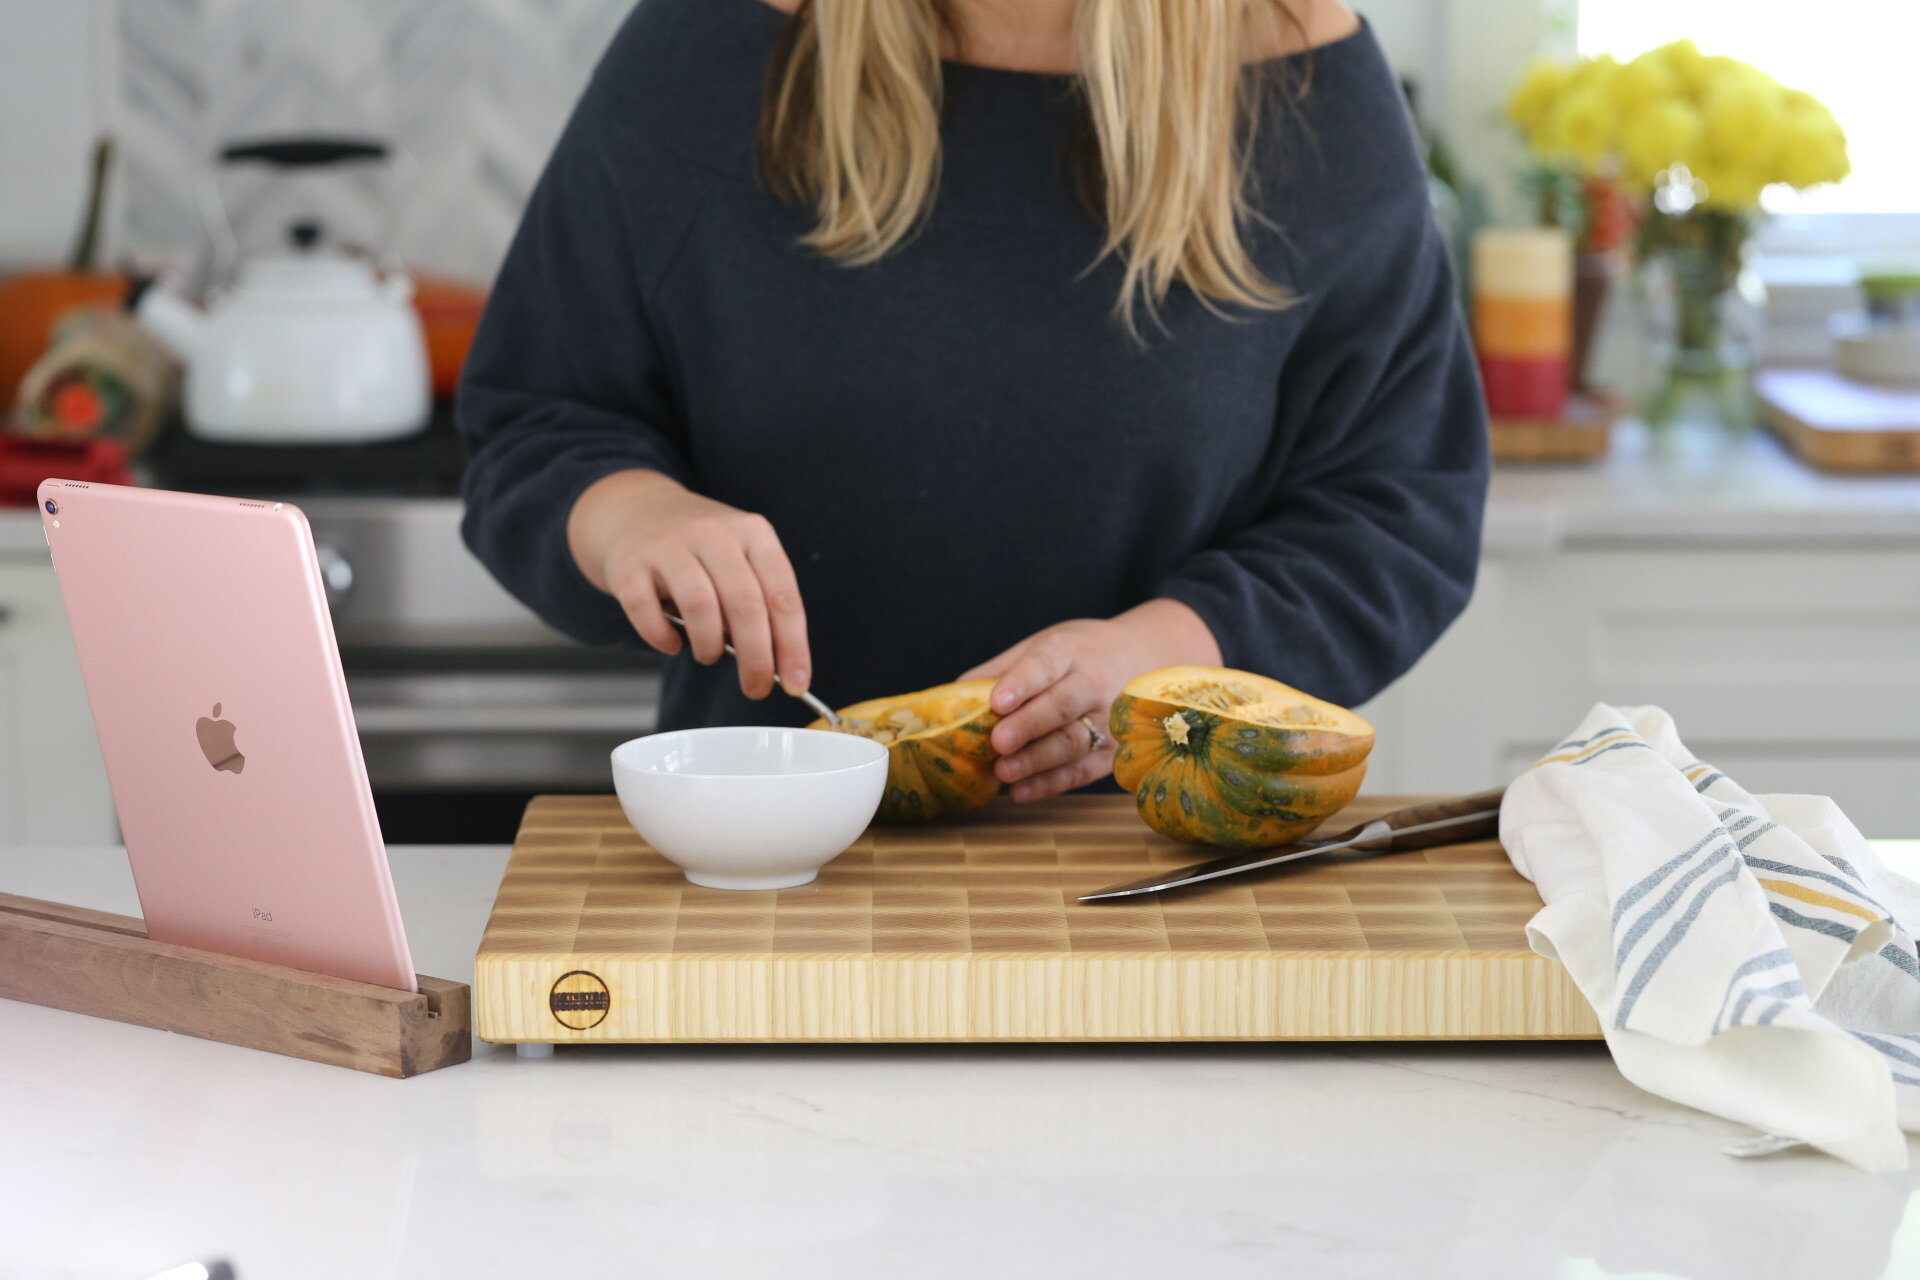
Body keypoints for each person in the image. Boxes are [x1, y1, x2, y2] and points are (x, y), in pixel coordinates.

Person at [459, 0, 1488, 803]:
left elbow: (1400, 511)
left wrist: (1166, 649)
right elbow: (535, 419)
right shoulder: (707, 49)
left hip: (1164, 871)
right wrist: (632, 513)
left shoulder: (1305, 80)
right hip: (765, 857)